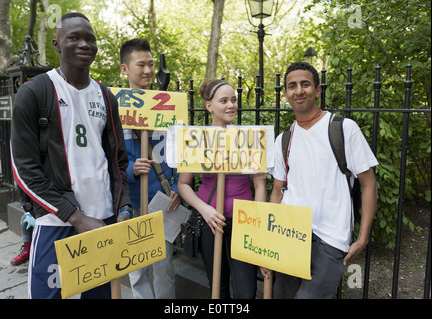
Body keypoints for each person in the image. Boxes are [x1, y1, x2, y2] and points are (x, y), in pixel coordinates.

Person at [10, 12, 132, 299]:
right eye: (74, 37)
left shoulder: (105, 96)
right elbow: (24, 170)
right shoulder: (34, 92)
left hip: (102, 221)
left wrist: (123, 207)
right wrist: (75, 216)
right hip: (56, 222)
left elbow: (117, 161)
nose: (84, 44)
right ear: (56, 44)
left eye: (90, 39)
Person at [261, 61, 378, 299]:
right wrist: (268, 243)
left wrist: (363, 237)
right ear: (285, 94)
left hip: (330, 240)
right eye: (292, 86)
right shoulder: (284, 139)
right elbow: (277, 192)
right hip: (289, 235)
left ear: (317, 90)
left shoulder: (344, 129)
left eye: (305, 84)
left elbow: (368, 184)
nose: (299, 90)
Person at [177, 78, 267, 299]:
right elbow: (183, 184)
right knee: (218, 287)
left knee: (246, 292)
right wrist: (204, 210)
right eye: (224, 100)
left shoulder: (249, 139)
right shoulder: (197, 139)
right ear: (209, 106)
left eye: (234, 100)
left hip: (244, 222)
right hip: (210, 222)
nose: (231, 105)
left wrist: (260, 225)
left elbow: (260, 184)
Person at [119, 38, 180, 299]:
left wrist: (177, 187)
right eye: (140, 64)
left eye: (151, 64)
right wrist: (131, 169)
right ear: (125, 69)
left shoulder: (169, 106)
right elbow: (108, 160)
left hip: (163, 203)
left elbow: (181, 154)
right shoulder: (115, 106)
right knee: (136, 270)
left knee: (165, 267)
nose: (147, 71)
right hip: (131, 204)